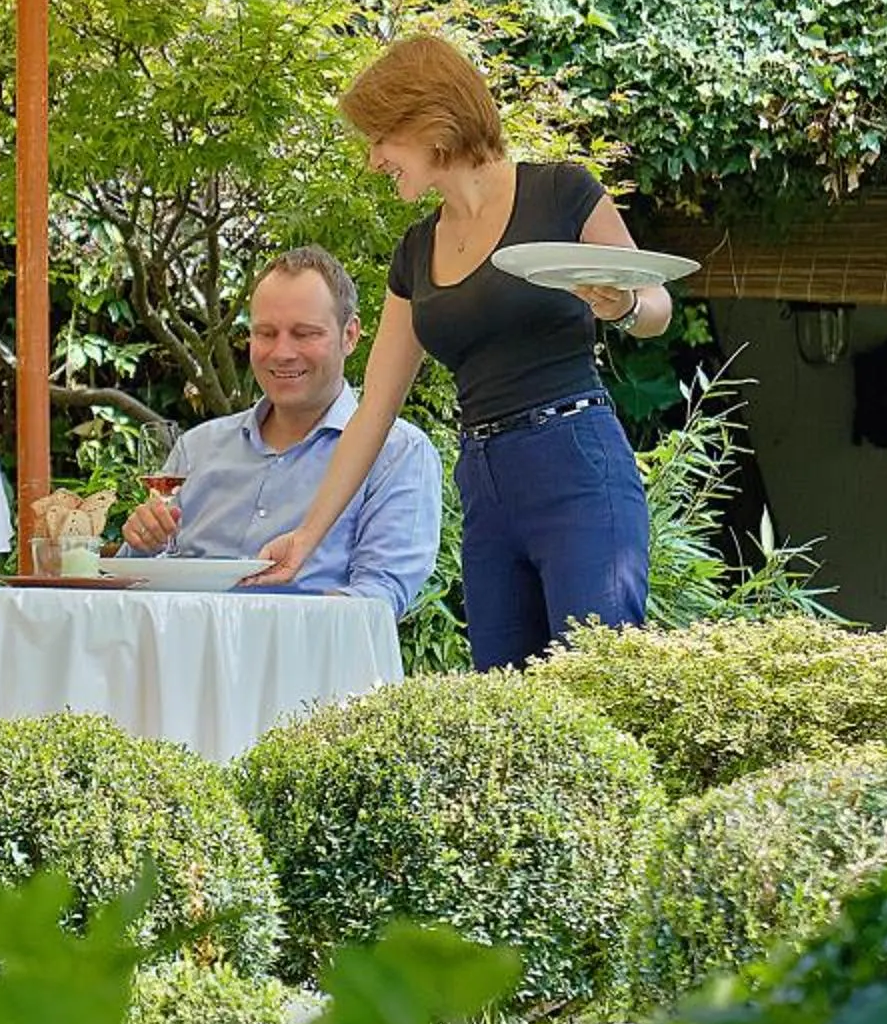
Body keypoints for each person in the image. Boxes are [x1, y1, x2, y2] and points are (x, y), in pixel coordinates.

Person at [253, 35, 671, 668]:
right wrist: (307, 537)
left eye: (382, 139)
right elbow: (374, 411)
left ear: (430, 122)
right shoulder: (416, 251)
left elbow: (658, 304)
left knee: (596, 681)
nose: (374, 160)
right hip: (484, 481)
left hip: (575, 462)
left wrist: (624, 305)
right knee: (503, 699)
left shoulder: (560, 192)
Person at [118, 247, 440, 614]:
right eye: (266, 333)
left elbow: (377, 599)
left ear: (350, 335)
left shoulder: (397, 453)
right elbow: (132, 588)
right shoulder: (196, 449)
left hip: (306, 648)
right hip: (182, 645)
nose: (282, 352)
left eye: (304, 334)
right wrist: (143, 543)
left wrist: (269, 626)